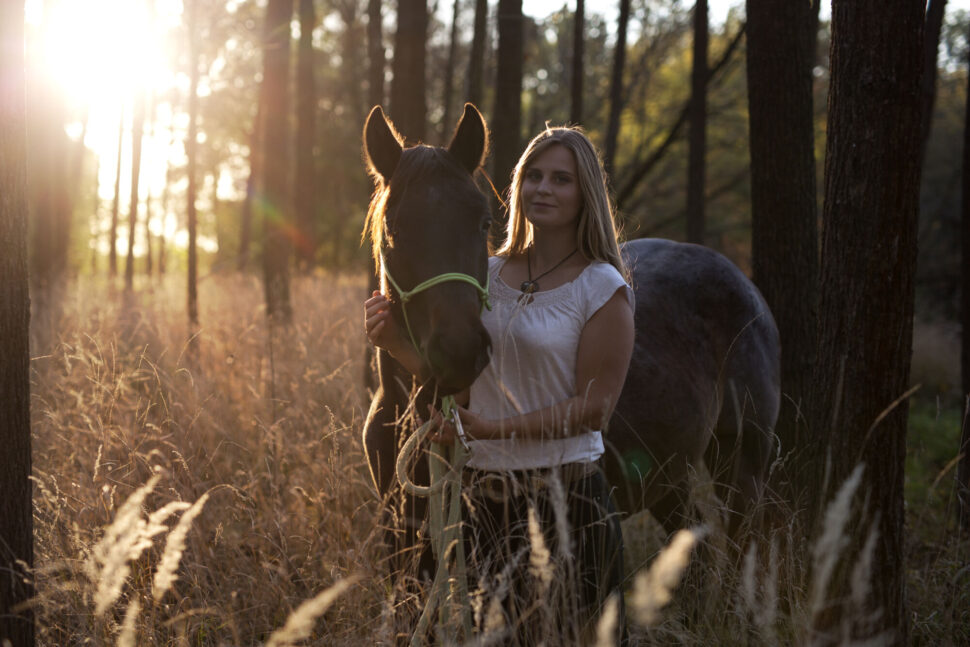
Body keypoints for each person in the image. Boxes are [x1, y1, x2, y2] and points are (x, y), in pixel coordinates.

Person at [364, 126, 634, 644]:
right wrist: (395, 344)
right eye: (533, 176)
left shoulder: (601, 286)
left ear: (586, 193)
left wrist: (491, 429)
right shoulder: (482, 276)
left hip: (568, 504)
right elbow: (458, 382)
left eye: (562, 179)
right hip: (484, 509)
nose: (544, 189)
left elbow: (595, 409)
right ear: (515, 186)